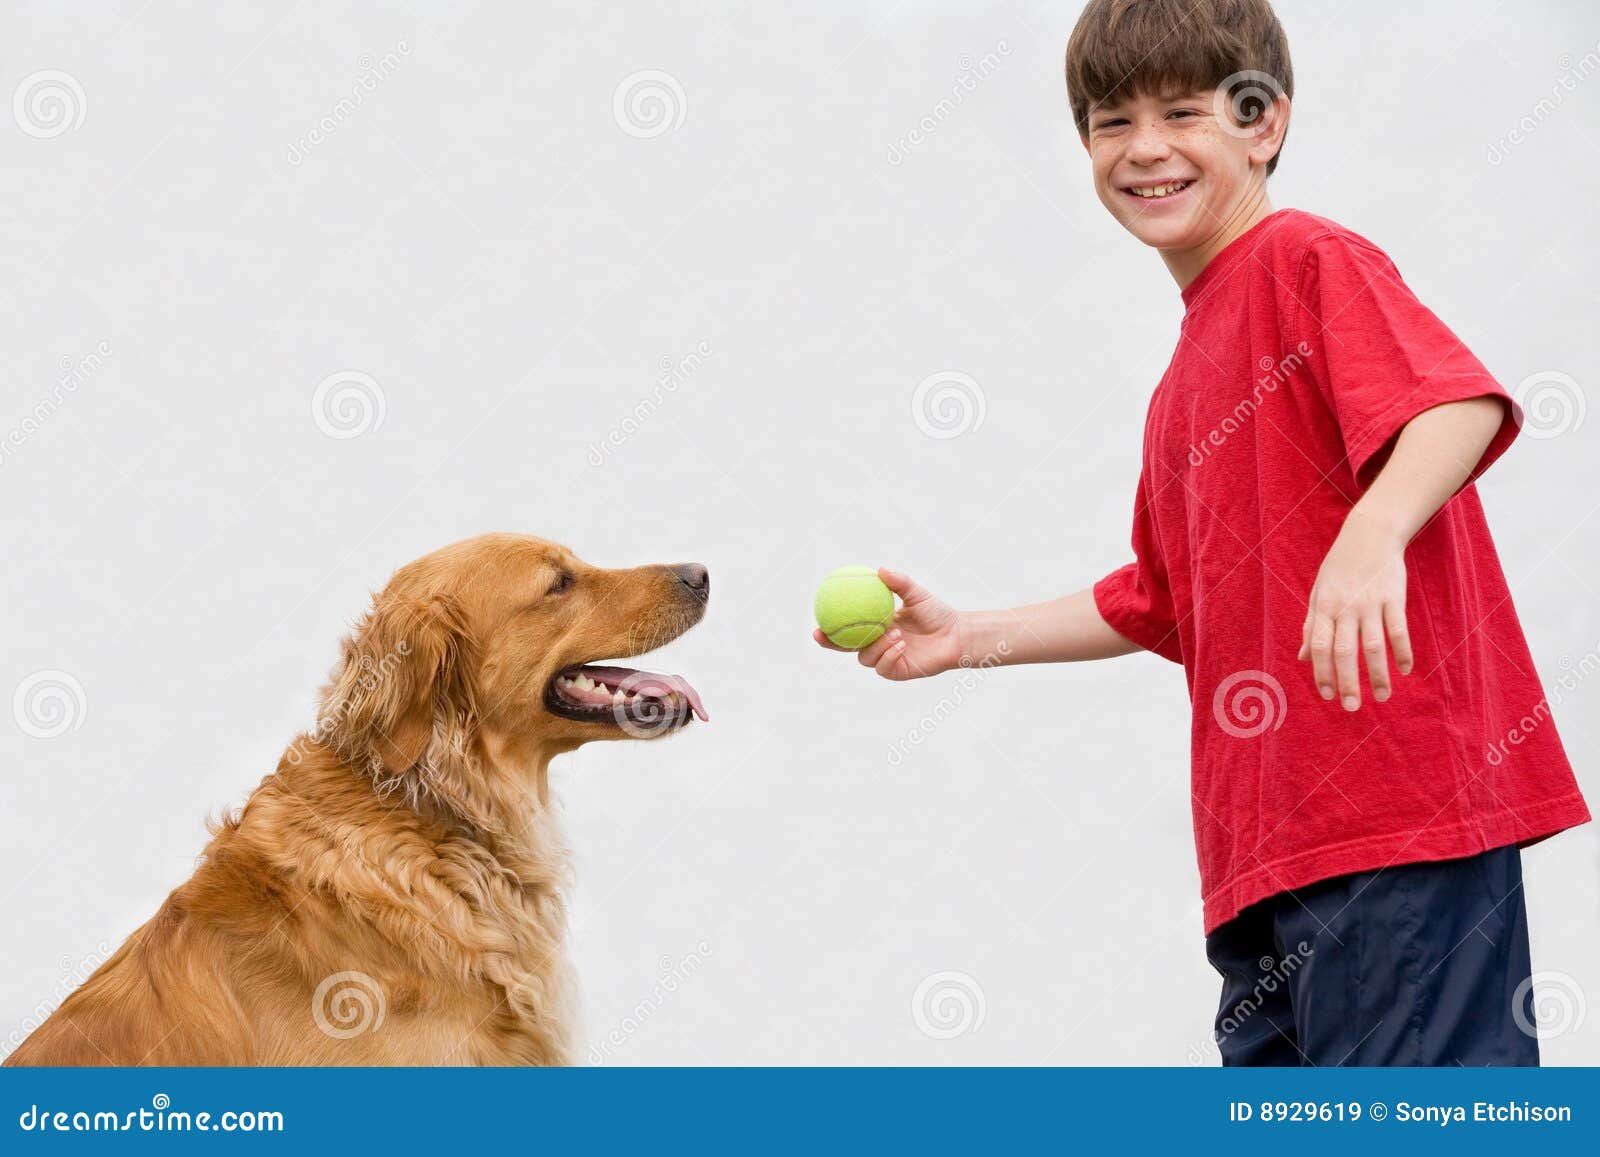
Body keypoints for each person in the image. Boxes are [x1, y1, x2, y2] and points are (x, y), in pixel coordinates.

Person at [814, 0, 1591, 1066]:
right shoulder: (1187, 373)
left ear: (1262, 121)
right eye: (1107, 120)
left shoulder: (1303, 259)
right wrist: (964, 636)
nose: (1142, 148)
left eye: (1181, 111)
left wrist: (1371, 533)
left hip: (1391, 829)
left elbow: (1455, 405)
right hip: (1262, 866)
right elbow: (1157, 598)